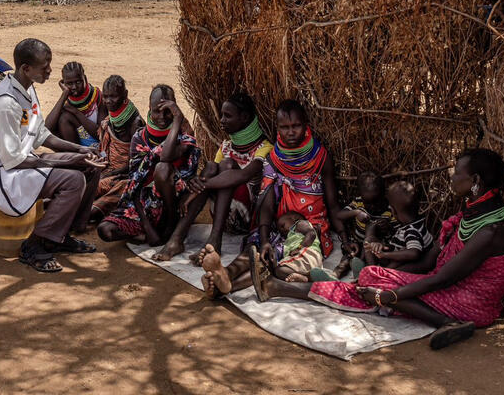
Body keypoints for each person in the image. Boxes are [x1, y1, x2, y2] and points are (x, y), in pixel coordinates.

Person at [247, 148, 504, 350]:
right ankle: (275, 287)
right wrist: (388, 279)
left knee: (370, 282)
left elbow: (444, 278)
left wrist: (388, 296)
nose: (453, 175)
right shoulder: (474, 213)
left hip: (469, 302)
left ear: (476, 181)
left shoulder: (489, 232)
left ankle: (444, 322)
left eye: (458, 172)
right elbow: (427, 265)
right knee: (370, 278)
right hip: (446, 286)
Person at [0, 39, 105, 273]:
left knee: (90, 166)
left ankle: (60, 236)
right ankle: (34, 245)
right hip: (3, 175)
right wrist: (67, 161)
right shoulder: (4, 103)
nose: (50, 70)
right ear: (25, 68)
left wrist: (79, 150)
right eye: (45, 66)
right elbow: (14, 160)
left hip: (22, 164)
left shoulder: (26, 90)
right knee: (73, 179)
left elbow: (42, 134)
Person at [198, 99, 342, 296]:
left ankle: (224, 286)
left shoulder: (320, 156)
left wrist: (345, 237)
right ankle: (225, 273)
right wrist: (265, 238)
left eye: (296, 126)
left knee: (277, 261)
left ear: (305, 125)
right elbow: (266, 204)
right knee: (255, 248)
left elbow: (333, 205)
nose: (290, 132)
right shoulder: (273, 159)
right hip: (278, 226)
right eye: (284, 127)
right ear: (277, 128)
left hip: (309, 228)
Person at [152, 92, 272, 262]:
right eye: (222, 115)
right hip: (223, 216)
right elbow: (210, 176)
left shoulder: (264, 148)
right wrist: (203, 185)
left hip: (246, 219)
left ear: (244, 117)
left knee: (227, 165)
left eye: (227, 116)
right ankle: (177, 239)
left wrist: (202, 186)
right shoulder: (226, 146)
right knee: (210, 166)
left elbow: (244, 175)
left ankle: (215, 240)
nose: (221, 120)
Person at [97, 85, 201, 246]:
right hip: (145, 206)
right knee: (105, 230)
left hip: (174, 204)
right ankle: (150, 232)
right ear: (149, 109)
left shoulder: (184, 135)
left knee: (162, 168)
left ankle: (171, 224)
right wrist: (147, 227)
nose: (162, 117)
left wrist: (178, 120)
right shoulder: (139, 138)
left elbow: (166, 156)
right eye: (157, 111)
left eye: (168, 111)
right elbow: (134, 186)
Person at [89, 75, 144, 221]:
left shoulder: (136, 123)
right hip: (109, 171)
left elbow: (136, 164)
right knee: (82, 185)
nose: (108, 101)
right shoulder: (110, 118)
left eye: (113, 96)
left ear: (125, 95)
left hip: (124, 177)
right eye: (105, 96)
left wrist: (108, 174)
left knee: (98, 196)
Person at [330, 172, 392, 278]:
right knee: (349, 256)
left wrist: (387, 226)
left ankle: (362, 272)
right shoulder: (358, 203)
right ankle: (335, 274)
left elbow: (395, 230)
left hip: (375, 247)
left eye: (376, 202)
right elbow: (339, 215)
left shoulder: (389, 209)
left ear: (383, 194)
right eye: (368, 203)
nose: (372, 206)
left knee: (368, 255)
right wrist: (356, 212)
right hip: (358, 243)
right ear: (361, 197)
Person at [362, 180, 434, 269]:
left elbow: (413, 253)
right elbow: (398, 246)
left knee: (370, 240)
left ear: (394, 211)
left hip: (406, 266)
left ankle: (373, 272)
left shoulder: (412, 231)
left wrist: (385, 254)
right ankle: (373, 270)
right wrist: (382, 246)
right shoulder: (416, 224)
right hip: (396, 256)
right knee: (371, 240)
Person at [45, 62, 107, 148]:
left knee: (66, 115)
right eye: (69, 84)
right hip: (77, 148)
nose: (74, 87)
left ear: (85, 79)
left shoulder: (98, 97)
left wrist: (76, 112)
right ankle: (76, 156)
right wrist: (64, 95)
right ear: (64, 84)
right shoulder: (68, 101)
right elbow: (47, 129)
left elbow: (101, 135)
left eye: (78, 82)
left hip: (99, 146)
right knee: (64, 118)